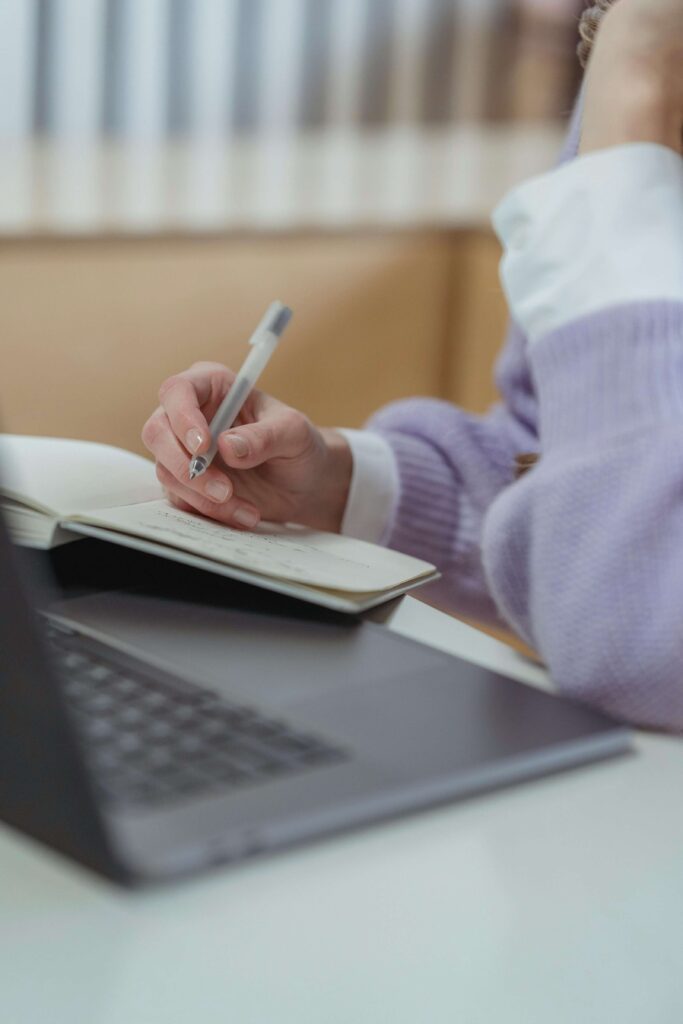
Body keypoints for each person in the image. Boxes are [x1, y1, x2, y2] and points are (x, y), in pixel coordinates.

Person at [142, 0, 683, 731]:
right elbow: (562, 469)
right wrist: (334, 483)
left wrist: (635, 81)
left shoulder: (639, 64)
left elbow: (639, 632)